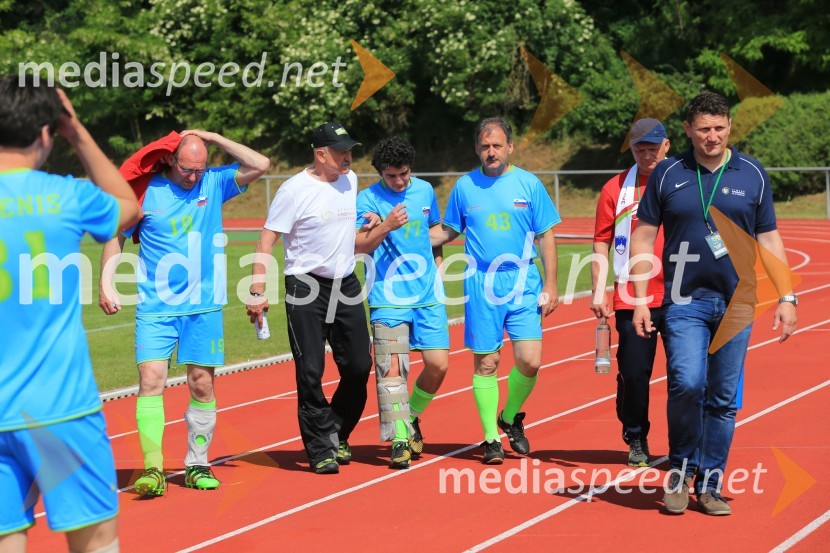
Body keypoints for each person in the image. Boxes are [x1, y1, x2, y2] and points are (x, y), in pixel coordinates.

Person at [631, 92, 797, 516]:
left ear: (729, 128)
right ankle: (679, 472)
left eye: (720, 128)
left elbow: (769, 238)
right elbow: (644, 236)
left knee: (722, 399)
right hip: (683, 301)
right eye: (704, 128)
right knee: (687, 383)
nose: (713, 136)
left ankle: (709, 485)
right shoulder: (669, 173)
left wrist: (787, 295)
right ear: (688, 130)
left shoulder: (752, 174)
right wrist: (640, 298)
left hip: (737, 302)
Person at [0, 77, 140, 552]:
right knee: (94, 540)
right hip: (59, 410)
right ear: (47, 132)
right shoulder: (65, 196)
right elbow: (128, 208)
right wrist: (77, 132)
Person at [98, 130, 270, 496]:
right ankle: (153, 469)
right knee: (151, 381)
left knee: (202, 384)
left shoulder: (214, 182)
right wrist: (106, 283)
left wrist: (212, 137)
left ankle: (197, 464)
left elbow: (260, 164)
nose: (193, 177)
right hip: (155, 308)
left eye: (199, 169)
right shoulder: (146, 191)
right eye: (187, 169)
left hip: (204, 307)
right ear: (170, 160)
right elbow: (116, 235)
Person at [246, 122, 375, 475]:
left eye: (349, 151)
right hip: (306, 286)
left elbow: (344, 229)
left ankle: (335, 431)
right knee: (310, 371)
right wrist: (257, 290)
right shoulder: (293, 191)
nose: (347, 157)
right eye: (340, 151)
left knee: (359, 367)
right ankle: (321, 450)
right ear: (320, 154)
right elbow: (267, 239)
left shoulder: (350, 180)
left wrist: (371, 223)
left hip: (346, 283)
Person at [431, 117, 561, 464]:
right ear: (477, 149)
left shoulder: (529, 184)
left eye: (497, 146)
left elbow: (546, 235)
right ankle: (491, 438)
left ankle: (510, 416)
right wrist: (402, 235)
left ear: (510, 148)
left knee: (530, 361)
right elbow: (447, 231)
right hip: (481, 282)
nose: (491, 152)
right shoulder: (464, 187)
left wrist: (551, 284)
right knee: (486, 362)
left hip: (523, 280)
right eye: (485, 146)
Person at [354, 137, 450, 469]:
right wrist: (385, 225)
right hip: (387, 297)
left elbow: (434, 231)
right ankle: (399, 441)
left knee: (438, 365)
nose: (399, 181)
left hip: (428, 296)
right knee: (391, 370)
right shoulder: (366, 199)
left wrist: (439, 267)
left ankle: (408, 418)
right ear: (380, 172)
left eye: (404, 174)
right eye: (391, 176)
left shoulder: (424, 191)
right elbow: (358, 246)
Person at [590, 118, 671, 467]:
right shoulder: (615, 189)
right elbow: (601, 240)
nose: (647, 154)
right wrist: (598, 289)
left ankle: (685, 444)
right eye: (640, 148)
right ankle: (636, 434)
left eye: (653, 147)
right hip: (632, 296)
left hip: (681, 294)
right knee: (636, 372)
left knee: (685, 376)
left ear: (667, 145)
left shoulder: (685, 180)